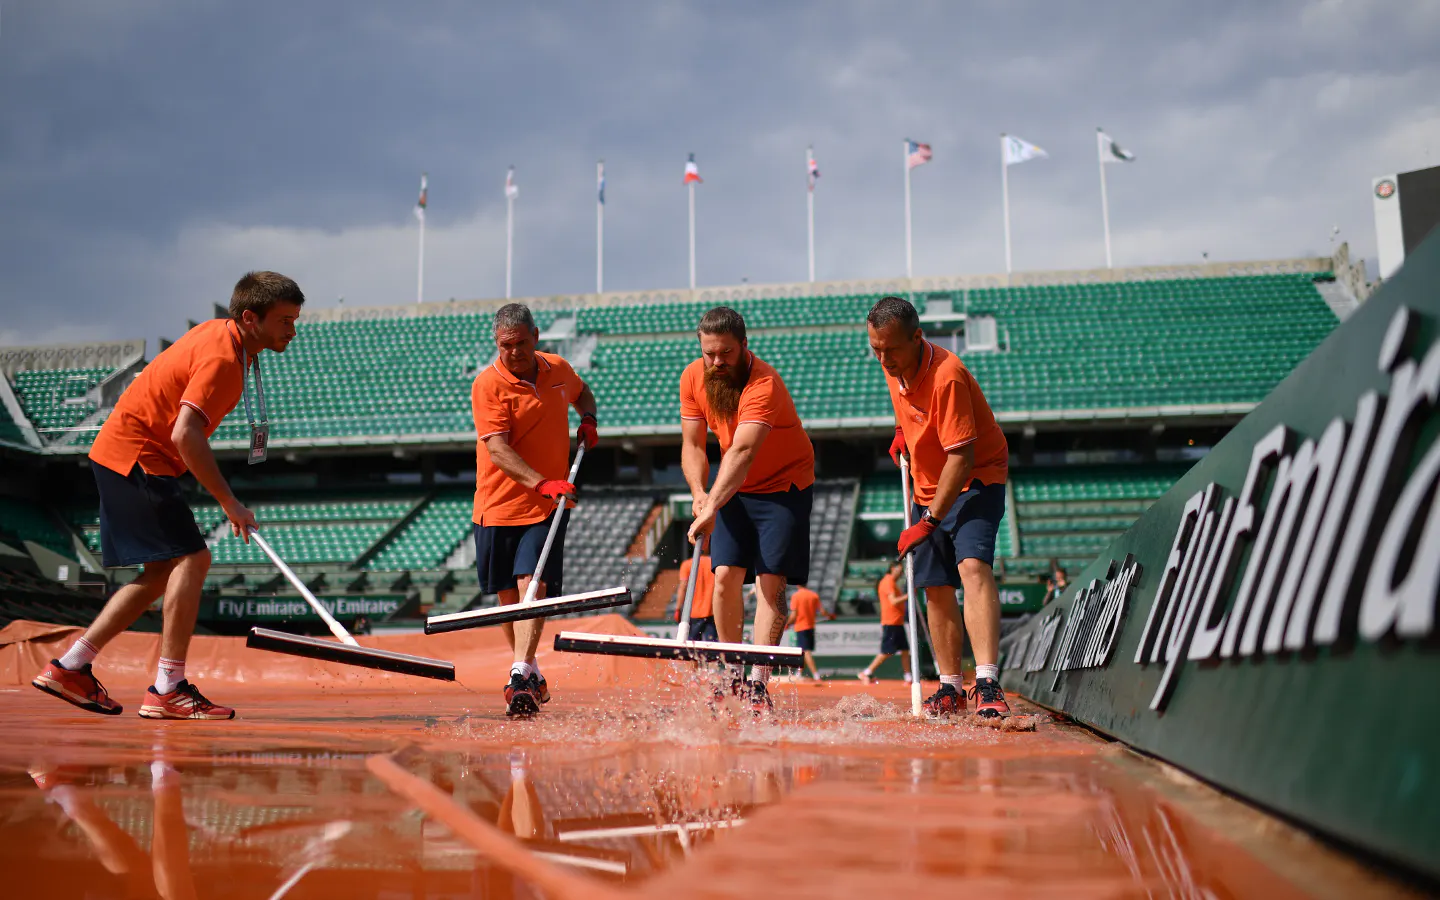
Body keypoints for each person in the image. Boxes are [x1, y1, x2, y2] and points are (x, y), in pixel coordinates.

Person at [32, 271, 304, 721]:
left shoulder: (221, 335)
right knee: (193, 560)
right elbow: (185, 433)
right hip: (138, 456)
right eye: (284, 321)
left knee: (161, 571)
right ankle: (167, 688)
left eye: (295, 320)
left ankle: (71, 667)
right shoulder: (223, 360)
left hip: (123, 454)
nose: (292, 331)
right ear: (251, 317)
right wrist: (229, 502)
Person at [867, 296, 1012, 719]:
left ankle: (985, 681)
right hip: (927, 482)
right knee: (935, 585)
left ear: (917, 337)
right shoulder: (891, 362)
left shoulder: (947, 376)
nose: (883, 357)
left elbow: (961, 459)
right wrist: (901, 429)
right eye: (875, 348)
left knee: (971, 567)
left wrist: (928, 521)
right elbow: (903, 398)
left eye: (891, 348)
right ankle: (949, 687)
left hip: (975, 477)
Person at [681, 307, 815, 711]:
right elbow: (691, 444)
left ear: (743, 346)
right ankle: (733, 668)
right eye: (709, 354)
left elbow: (742, 450)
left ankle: (758, 680)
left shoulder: (764, 383)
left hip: (782, 486)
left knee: (770, 584)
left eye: (726, 354)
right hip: (732, 487)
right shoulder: (693, 377)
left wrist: (712, 504)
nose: (717, 363)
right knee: (723, 578)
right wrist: (699, 493)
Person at [471, 302, 598, 717]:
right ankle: (531, 672)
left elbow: (583, 393)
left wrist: (589, 419)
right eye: (505, 345)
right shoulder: (487, 385)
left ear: (536, 336)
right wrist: (540, 481)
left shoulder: (558, 370)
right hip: (497, 505)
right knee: (509, 601)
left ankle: (519, 675)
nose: (513, 352)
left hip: (547, 507)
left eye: (521, 343)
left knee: (533, 586)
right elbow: (497, 449)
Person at [857, 560, 911, 684]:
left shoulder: (890, 582)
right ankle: (866, 672)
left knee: (904, 650)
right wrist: (909, 596)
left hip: (897, 621)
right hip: (891, 622)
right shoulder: (888, 582)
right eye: (900, 570)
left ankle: (908, 676)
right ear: (893, 568)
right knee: (886, 651)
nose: (901, 573)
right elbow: (894, 601)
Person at [785, 584, 834, 681]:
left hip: (801, 627)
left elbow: (794, 615)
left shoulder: (796, 596)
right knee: (803, 651)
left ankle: (816, 675)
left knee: (806, 651)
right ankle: (799, 673)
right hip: (810, 626)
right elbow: (823, 611)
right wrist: (830, 616)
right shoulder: (813, 595)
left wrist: (787, 624)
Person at [674, 541, 719, 642]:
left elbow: (683, 587)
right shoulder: (715, 563)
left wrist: (678, 608)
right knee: (711, 647)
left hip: (693, 613)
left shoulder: (687, 565)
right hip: (712, 611)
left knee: (691, 646)